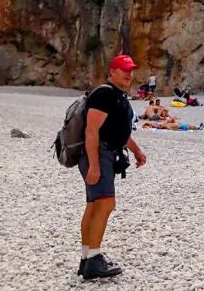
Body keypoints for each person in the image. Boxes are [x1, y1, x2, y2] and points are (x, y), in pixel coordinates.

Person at [78, 54, 147, 279]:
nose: (129, 73)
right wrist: (94, 165)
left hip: (105, 152)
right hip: (99, 153)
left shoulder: (117, 96)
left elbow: (119, 131)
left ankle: (87, 258)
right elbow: (91, 131)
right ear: (112, 71)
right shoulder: (105, 94)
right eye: (124, 69)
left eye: (131, 69)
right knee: (106, 203)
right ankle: (93, 261)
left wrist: (136, 151)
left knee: (94, 205)